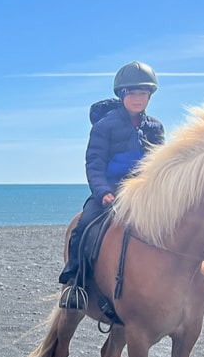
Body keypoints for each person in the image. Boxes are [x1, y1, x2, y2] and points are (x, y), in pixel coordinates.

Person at [59, 61, 165, 309]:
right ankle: (76, 282)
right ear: (122, 94)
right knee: (85, 227)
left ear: (150, 95)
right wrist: (103, 192)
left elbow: (161, 165)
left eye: (143, 93)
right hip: (112, 192)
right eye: (132, 93)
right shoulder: (104, 126)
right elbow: (94, 162)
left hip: (146, 194)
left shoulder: (155, 128)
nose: (138, 98)